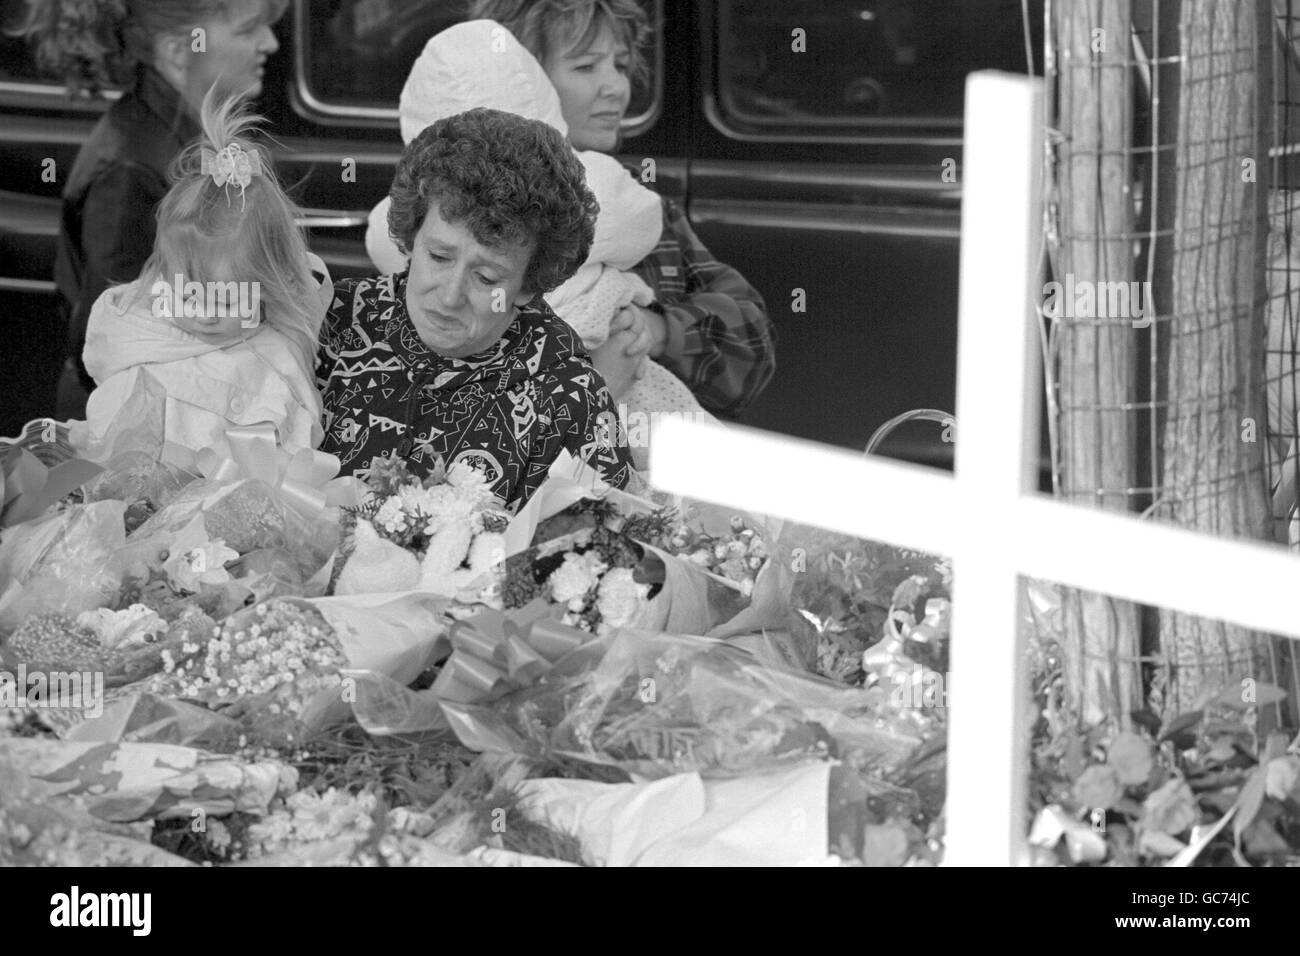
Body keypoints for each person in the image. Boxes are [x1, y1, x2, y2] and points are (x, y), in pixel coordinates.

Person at [364, 18, 713, 469]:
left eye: (621, 64)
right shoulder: (600, 190)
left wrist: (659, 330)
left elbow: (747, 331)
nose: (451, 292)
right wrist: (598, 384)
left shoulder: (413, 240)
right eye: (439, 255)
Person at [469, 0, 776, 419]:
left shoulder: (643, 206)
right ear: (519, 78)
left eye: (621, 64)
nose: (616, 86)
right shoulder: (471, 209)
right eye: (586, 67)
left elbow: (753, 342)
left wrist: (660, 330)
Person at [317, 107, 635, 511]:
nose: (449, 296)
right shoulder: (331, 322)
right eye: (438, 256)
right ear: (412, 236)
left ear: (529, 285)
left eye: (486, 278)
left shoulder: (568, 399)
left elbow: (593, 555)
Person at [20, 0, 284, 408]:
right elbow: (109, 336)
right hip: (134, 424)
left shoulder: (185, 139)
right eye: (249, 29)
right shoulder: (131, 169)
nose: (270, 42)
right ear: (181, 51)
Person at [75, 89, 331, 459]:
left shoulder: (276, 350)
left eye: (229, 300)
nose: (207, 314)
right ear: (163, 276)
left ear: (269, 285)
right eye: (189, 296)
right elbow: (110, 433)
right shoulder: (138, 334)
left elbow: (290, 452)